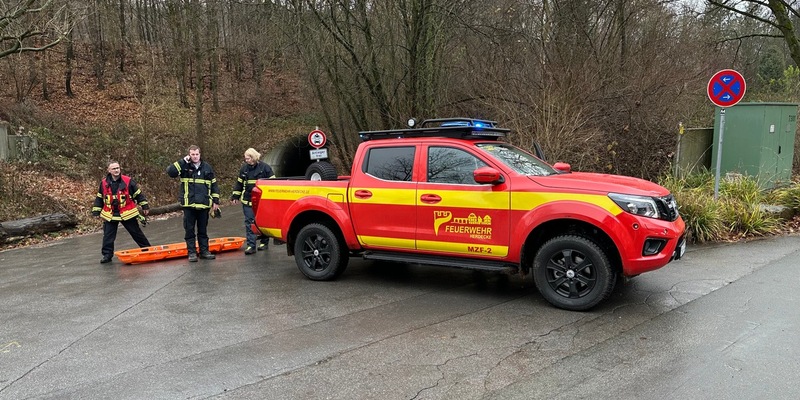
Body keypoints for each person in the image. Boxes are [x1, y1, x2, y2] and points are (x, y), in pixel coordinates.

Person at [166, 145, 220, 262]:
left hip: (204, 204)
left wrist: (215, 200)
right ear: (189, 155)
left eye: (197, 154)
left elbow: (214, 185)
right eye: (192, 154)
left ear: (200, 154)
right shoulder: (184, 167)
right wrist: (182, 161)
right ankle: (192, 253)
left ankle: (204, 251)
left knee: (203, 230)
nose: (195, 157)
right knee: (189, 230)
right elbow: (171, 172)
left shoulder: (207, 167)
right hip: (189, 205)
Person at [91, 160, 151, 264]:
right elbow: (100, 197)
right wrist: (96, 211)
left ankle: (147, 250)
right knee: (108, 236)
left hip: (127, 212)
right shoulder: (104, 183)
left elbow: (138, 194)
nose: (116, 170)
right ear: (109, 170)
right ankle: (107, 255)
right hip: (110, 214)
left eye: (118, 168)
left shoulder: (128, 181)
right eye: (114, 169)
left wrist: (144, 206)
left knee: (136, 233)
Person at [231, 148, 275, 254]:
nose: (247, 160)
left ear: (254, 157)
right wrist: (235, 196)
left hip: (261, 201)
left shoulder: (265, 168)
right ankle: (251, 245)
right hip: (247, 201)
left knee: (262, 222)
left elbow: (273, 183)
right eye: (246, 159)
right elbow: (239, 184)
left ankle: (264, 242)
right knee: (249, 223)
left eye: (248, 158)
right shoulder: (244, 169)